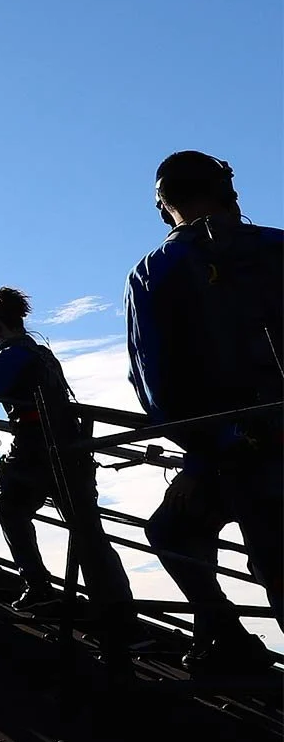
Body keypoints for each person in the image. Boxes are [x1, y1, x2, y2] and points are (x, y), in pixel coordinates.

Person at [126, 150, 282, 675]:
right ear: (228, 192)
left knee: (174, 532)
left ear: (164, 204)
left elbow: (155, 384)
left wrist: (202, 455)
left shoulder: (156, 269)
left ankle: (228, 640)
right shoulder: (276, 246)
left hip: (236, 449)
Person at [0, 288, 134, 628]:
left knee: (7, 504)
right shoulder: (42, 355)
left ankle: (39, 587)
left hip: (35, 448)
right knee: (86, 528)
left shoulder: (13, 355)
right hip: (70, 446)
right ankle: (116, 608)